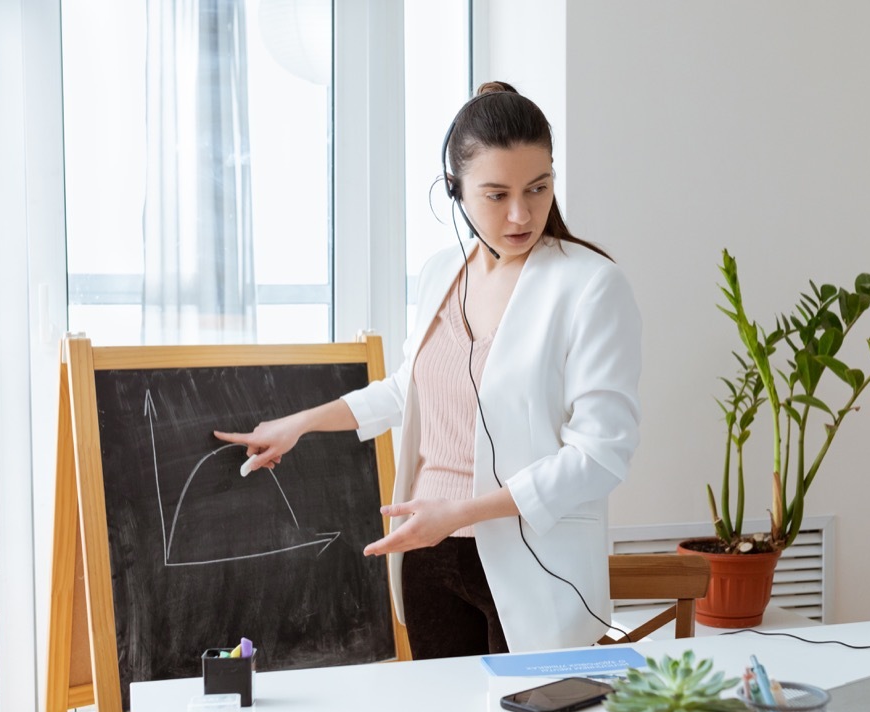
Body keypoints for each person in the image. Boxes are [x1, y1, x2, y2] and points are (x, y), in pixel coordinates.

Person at [214, 81, 641, 659]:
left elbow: (599, 456)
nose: (521, 214)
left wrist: (460, 512)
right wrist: (301, 423)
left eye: (538, 188)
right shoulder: (442, 272)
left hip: (533, 563)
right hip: (427, 553)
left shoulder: (591, 285)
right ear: (455, 192)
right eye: (496, 195)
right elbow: (410, 388)